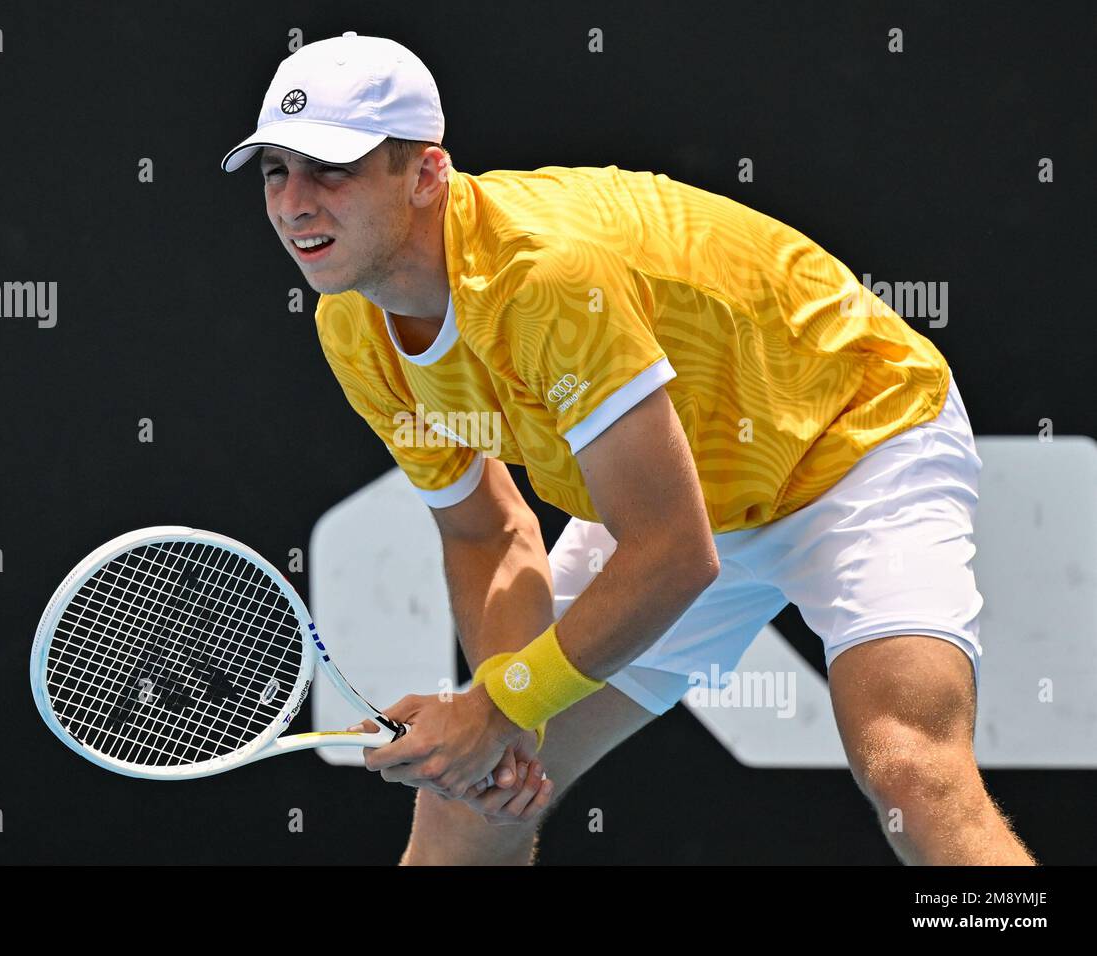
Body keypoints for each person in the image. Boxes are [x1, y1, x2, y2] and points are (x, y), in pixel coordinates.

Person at [220, 32, 1035, 865]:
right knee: (467, 808)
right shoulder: (352, 323)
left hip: (852, 433)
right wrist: (513, 728)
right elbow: (486, 531)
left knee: (909, 769)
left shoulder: (542, 278)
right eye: (275, 171)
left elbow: (674, 556)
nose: (294, 204)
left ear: (427, 173)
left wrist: (500, 705)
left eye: (332, 170)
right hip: (670, 488)